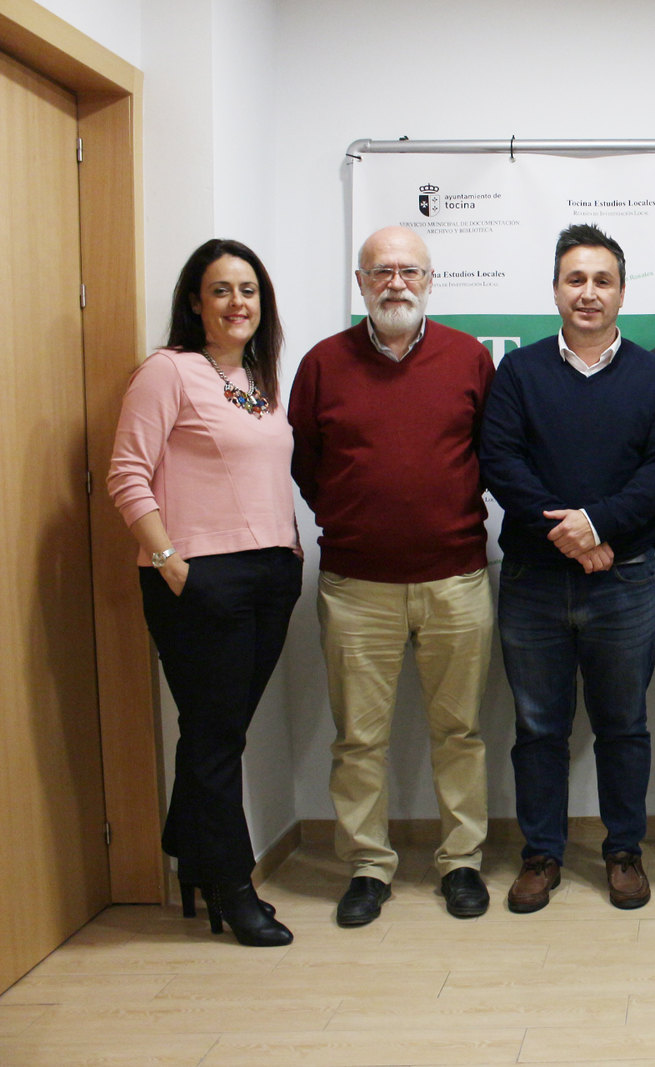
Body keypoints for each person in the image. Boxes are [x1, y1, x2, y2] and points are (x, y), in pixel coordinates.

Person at [289, 226, 496, 927]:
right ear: (361, 283)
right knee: (358, 740)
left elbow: (489, 455)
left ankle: (461, 861)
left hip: (456, 580)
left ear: (430, 281)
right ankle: (367, 868)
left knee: (460, 732)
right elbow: (307, 466)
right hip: (356, 587)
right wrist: (361, 519)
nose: (396, 283)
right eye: (381, 271)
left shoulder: (469, 358)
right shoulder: (322, 364)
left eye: (409, 271)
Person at [480, 224, 655, 913]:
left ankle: (623, 850)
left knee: (623, 726)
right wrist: (572, 536)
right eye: (576, 279)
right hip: (534, 582)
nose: (589, 293)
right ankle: (541, 853)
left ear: (622, 292)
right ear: (555, 290)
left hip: (625, 581)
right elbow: (502, 462)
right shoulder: (519, 372)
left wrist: (597, 525)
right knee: (539, 729)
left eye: (603, 280)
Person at [107, 239, 300, 947]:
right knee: (217, 738)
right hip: (200, 579)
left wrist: (287, 551)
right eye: (221, 290)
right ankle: (233, 885)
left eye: (248, 290)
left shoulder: (259, 379)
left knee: (219, 732)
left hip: (271, 575)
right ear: (195, 301)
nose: (237, 303)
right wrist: (171, 562)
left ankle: (189, 847)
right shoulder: (168, 371)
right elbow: (126, 473)